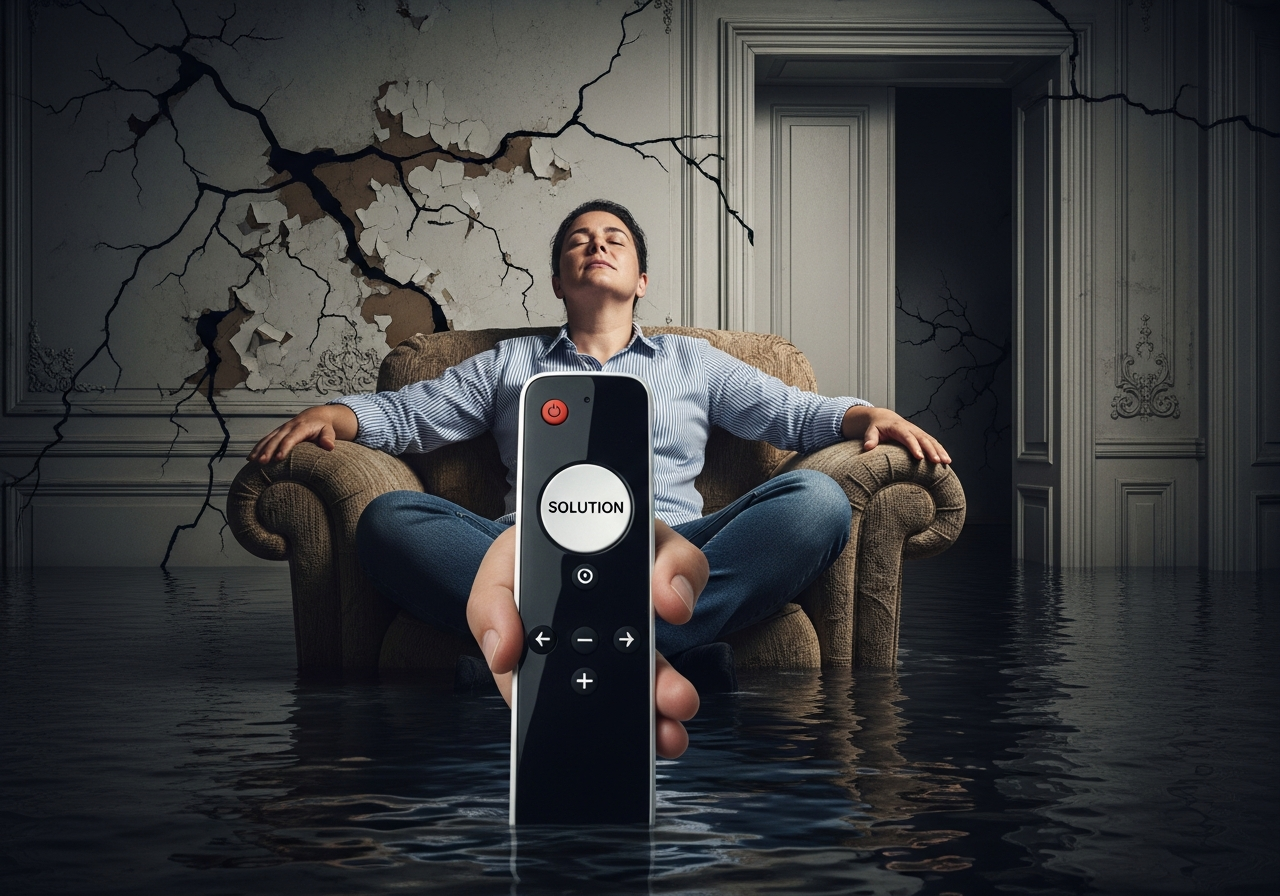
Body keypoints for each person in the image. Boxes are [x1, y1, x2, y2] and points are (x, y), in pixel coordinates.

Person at [249, 199, 950, 759]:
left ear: (641, 280)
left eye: (615, 238)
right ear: (559, 281)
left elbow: (792, 414)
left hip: (668, 551)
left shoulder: (692, 362)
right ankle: (655, 655)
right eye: (578, 241)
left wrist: (867, 414)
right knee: (389, 520)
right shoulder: (510, 363)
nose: (597, 245)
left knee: (818, 501)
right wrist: (334, 414)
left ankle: (551, 654)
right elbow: (408, 415)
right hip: (533, 555)